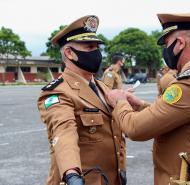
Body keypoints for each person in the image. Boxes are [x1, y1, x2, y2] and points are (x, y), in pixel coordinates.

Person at [106, 13, 190, 185]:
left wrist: (120, 101)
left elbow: (136, 128)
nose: (165, 50)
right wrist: (141, 105)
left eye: (167, 44)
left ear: (180, 44)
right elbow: (183, 114)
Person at [37, 15, 126, 185]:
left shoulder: (102, 87)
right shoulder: (57, 92)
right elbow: (63, 132)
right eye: (90, 47)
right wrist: (72, 174)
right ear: (70, 53)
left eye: (97, 47)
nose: (96, 53)